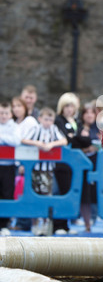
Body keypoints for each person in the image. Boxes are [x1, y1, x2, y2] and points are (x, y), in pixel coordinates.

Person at [22, 107, 68, 235]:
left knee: (46, 194)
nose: (48, 122)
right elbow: (24, 140)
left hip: (48, 170)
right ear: (40, 119)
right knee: (33, 193)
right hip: (35, 168)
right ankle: (35, 224)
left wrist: (51, 145)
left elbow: (64, 141)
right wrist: (38, 144)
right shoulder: (36, 129)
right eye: (45, 119)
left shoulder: (54, 130)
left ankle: (45, 223)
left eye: (50, 119)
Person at [54, 92, 92, 234]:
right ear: (62, 107)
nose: (69, 109)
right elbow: (67, 139)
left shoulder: (77, 122)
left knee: (73, 193)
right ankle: (59, 225)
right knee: (63, 192)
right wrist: (77, 138)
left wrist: (74, 137)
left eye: (72, 106)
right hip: (62, 164)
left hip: (76, 165)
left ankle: (66, 225)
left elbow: (87, 141)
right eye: (66, 106)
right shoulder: (58, 120)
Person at [11, 96, 39, 231]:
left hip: (26, 162)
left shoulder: (30, 121)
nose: (16, 109)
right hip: (12, 163)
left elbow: (29, 142)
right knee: (15, 192)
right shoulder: (13, 123)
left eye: (19, 106)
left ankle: (24, 222)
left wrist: (24, 163)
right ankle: (16, 220)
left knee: (25, 191)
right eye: (14, 106)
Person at [76, 102, 101, 232]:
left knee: (97, 193)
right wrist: (87, 149)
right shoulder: (79, 129)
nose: (90, 115)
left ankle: (96, 218)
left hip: (98, 166)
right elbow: (74, 148)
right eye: (87, 112)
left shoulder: (99, 129)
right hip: (83, 166)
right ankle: (87, 223)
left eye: (92, 112)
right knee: (85, 194)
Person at [0, 102, 21, 234]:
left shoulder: (14, 126)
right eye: (1, 113)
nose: (3, 116)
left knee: (7, 194)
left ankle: (4, 225)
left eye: (6, 113)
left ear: (10, 114)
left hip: (9, 166)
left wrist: (1, 138)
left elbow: (16, 141)